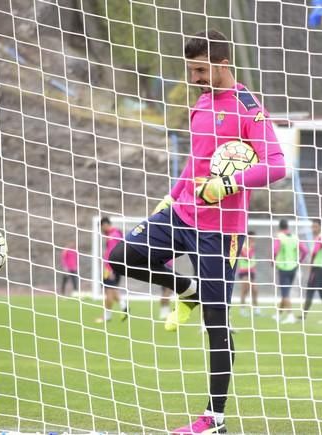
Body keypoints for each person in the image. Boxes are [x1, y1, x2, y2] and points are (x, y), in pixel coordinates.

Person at [108, 29, 286, 434]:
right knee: (121, 257)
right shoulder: (201, 103)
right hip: (182, 213)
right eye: (191, 69)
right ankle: (185, 290)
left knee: (217, 323)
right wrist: (170, 197)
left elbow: (276, 166)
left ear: (223, 64)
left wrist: (229, 183)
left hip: (221, 232)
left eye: (201, 69)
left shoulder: (248, 107)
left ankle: (214, 420)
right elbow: (196, 159)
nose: (194, 77)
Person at [273, 219, 308, 325]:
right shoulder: (295, 237)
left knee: (285, 293)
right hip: (293, 267)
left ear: (280, 227)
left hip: (283, 267)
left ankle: (290, 316)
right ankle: (278, 314)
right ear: (287, 227)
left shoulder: (279, 237)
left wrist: (273, 260)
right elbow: (305, 251)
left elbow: (275, 250)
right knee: (286, 292)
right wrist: (299, 261)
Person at [96, 217, 127, 323]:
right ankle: (123, 305)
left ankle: (107, 316)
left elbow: (111, 253)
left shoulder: (112, 236)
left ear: (104, 225)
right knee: (112, 290)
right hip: (118, 267)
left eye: (101, 228)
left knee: (108, 292)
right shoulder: (117, 233)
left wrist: (109, 269)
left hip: (110, 268)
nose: (101, 231)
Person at [302, 219, 322, 323]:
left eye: (315, 226)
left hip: (318, 268)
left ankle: (304, 315)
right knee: (317, 291)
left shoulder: (321, 237)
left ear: (320, 227)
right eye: (312, 226)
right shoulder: (320, 237)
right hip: (321, 267)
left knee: (314, 291)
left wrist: (311, 263)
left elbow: (315, 251)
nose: (313, 229)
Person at [237, 231, 260, 317]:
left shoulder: (252, 246)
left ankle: (256, 308)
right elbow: (247, 257)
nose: (254, 240)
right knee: (245, 289)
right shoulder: (243, 245)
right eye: (252, 238)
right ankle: (242, 308)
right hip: (243, 270)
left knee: (255, 289)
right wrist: (252, 248)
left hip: (252, 270)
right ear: (249, 237)